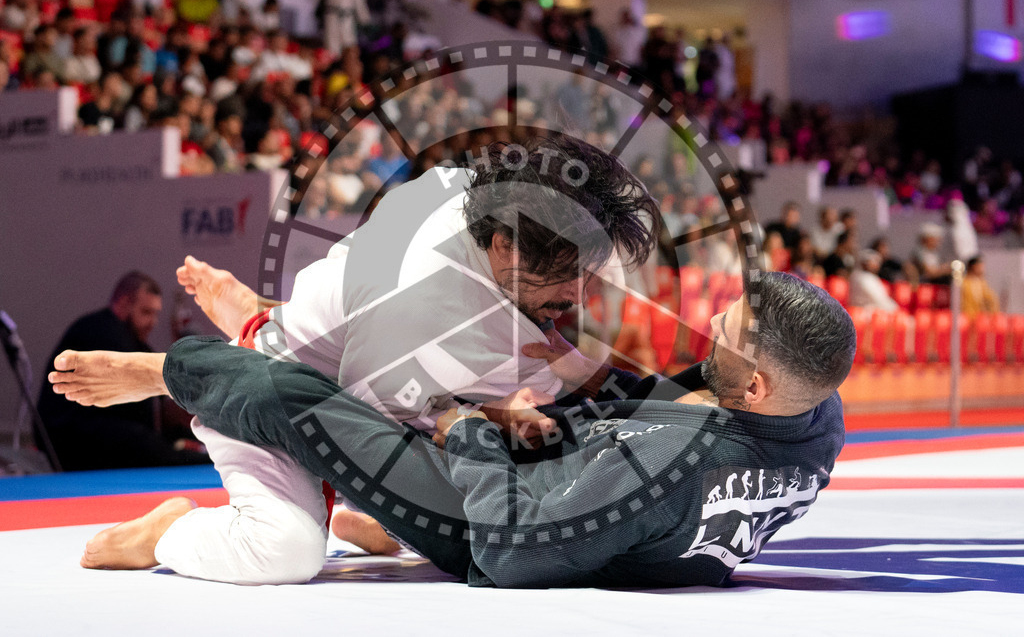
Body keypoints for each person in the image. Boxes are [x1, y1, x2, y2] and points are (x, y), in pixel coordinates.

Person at [56, 137, 661, 585]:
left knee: (546, 445)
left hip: (353, 351)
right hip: (278, 406)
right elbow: (350, 439)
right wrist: (495, 418)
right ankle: (169, 531)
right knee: (287, 553)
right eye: (565, 275)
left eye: (587, 273)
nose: (579, 296)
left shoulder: (463, 188)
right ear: (505, 245)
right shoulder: (426, 309)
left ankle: (263, 319)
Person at [51, 271, 855, 588]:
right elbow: (672, 424)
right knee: (456, 364)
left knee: (301, 401)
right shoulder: (815, 417)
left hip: (481, 519)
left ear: (753, 383)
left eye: (729, 332)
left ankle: (166, 370)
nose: (709, 321)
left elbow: (510, 552)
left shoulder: (668, 461)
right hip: (565, 472)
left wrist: (467, 428)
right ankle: (274, 333)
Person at [37, 272, 208, 471]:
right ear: (125, 303)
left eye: (155, 314)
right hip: (67, 437)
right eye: (146, 312)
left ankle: (208, 455)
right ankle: (207, 462)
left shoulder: (126, 337)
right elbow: (141, 407)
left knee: (154, 437)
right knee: (144, 442)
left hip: (89, 430)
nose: (153, 322)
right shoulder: (101, 333)